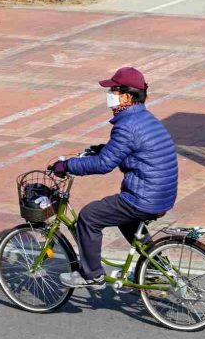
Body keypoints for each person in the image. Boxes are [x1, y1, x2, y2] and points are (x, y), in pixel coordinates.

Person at [51, 67, 178, 288]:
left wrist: (67, 165)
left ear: (128, 97)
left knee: (89, 216)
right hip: (162, 193)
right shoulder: (144, 118)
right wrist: (101, 148)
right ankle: (155, 266)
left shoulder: (127, 126)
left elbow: (104, 164)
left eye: (115, 91)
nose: (110, 96)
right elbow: (125, 150)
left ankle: (91, 275)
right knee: (125, 220)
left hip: (144, 196)